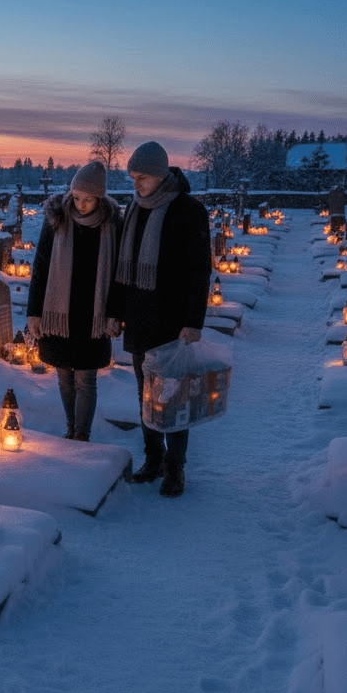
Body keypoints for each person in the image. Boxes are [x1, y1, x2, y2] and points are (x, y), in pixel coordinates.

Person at [108, 141, 211, 497]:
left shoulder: (188, 211)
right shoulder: (133, 211)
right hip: (138, 319)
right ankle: (153, 460)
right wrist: (114, 313)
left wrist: (193, 321)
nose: (136, 184)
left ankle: (175, 468)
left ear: (162, 175)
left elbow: (200, 271)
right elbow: (121, 271)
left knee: (172, 397)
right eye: (133, 177)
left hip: (170, 321)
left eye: (143, 177)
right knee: (145, 396)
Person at [27, 160, 121, 442]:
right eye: (77, 197)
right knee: (64, 377)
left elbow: (117, 272)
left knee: (86, 379)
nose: (80, 204)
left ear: (100, 198)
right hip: (59, 310)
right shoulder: (58, 217)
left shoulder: (112, 223)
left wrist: (115, 312)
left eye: (88, 199)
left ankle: (81, 434)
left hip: (93, 312)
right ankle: (71, 428)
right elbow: (41, 264)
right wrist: (34, 313)